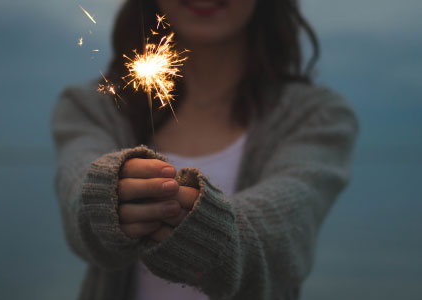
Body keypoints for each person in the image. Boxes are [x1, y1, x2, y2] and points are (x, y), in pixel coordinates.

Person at [51, 0, 359, 299]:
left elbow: (287, 229)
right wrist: (107, 195)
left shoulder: (316, 117)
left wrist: (208, 229)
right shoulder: (93, 107)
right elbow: (78, 192)